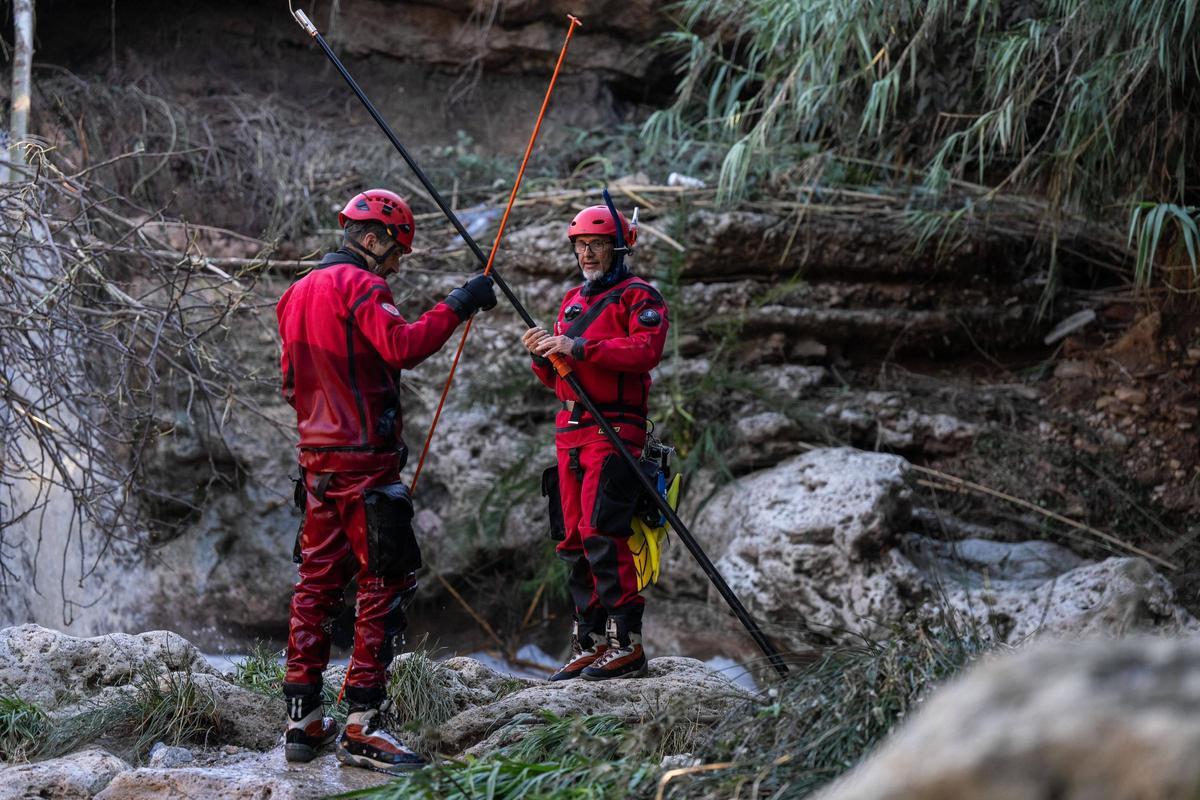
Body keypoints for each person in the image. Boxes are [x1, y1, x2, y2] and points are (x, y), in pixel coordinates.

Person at [276, 189, 496, 771]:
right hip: (365, 463)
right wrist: (460, 302)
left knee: (317, 584)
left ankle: (301, 721)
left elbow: (291, 382)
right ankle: (363, 726)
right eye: (396, 250)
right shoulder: (364, 286)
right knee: (385, 583)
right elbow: (403, 346)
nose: (398, 264)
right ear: (370, 240)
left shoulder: (294, 294)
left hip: (316, 463)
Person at [522, 203, 669, 681]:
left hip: (615, 428)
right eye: (580, 245)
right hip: (570, 429)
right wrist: (543, 356)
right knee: (569, 536)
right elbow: (559, 379)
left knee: (601, 530)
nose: (586, 253)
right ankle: (590, 641)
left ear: (619, 249)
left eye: (597, 245)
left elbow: (645, 351)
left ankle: (626, 642)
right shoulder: (571, 300)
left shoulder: (639, 296)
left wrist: (578, 347)